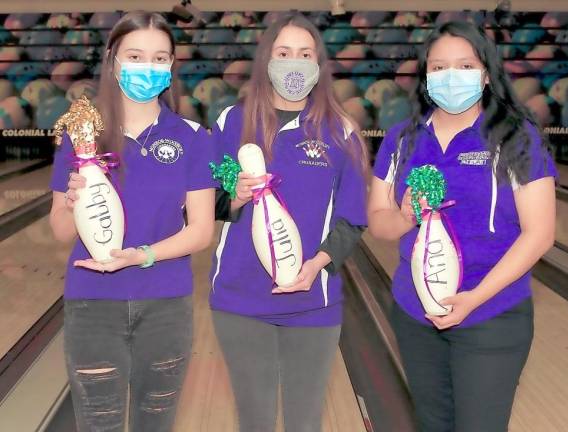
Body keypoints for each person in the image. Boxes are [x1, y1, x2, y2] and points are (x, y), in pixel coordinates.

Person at [367, 21, 556, 432]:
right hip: (415, 314)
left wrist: (473, 298)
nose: (450, 76)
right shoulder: (401, 139)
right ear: (425, 75)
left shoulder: (517, 136)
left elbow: (539, 232)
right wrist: (403, 217)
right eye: (438, 67)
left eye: (464, 65)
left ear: (486, 73)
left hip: (491, 313)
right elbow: (378, 223)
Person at [49, 11, 215, 432]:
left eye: (160, 58)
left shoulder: (192, 138)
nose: (148, 67)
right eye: (136, 56)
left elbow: (201, 230)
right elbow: (60, 231)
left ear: (172, 66)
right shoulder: (83, 134)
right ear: (112, 61)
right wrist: (72, 202)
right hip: (92, 304)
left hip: (166, 305)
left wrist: (141, 255)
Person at [209, 12, 368, 432]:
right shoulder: (232, 122)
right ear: (267, 60)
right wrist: (235, 197)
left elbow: (353, 218)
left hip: (312, 301)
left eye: (304, 54)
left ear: (318, 65)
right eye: (284, 53)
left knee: (304, 422)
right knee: (255, 421)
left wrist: (316, 265)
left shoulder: (340, 131)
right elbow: (206, 204)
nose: (294, 63)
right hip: (240, 300)